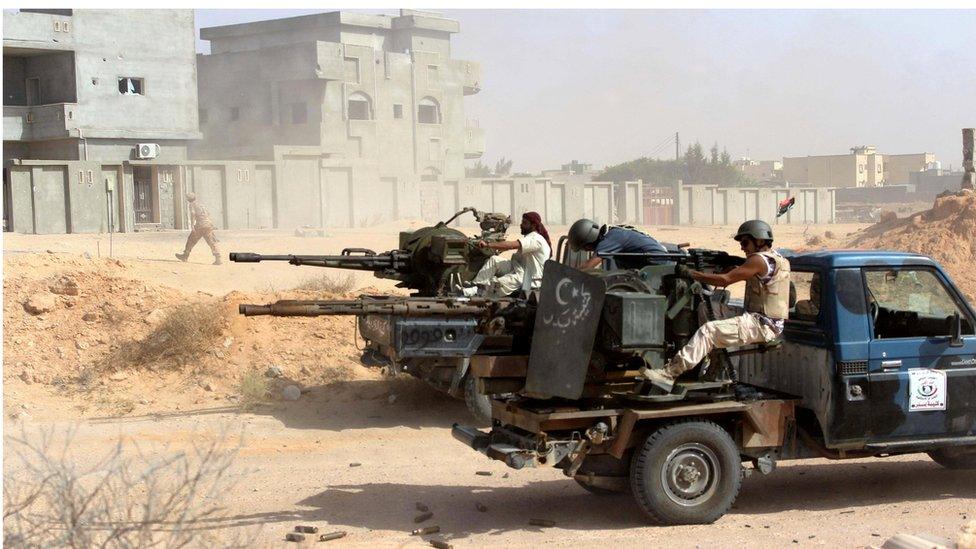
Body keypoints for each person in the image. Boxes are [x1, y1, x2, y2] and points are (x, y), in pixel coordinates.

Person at [641, 219, 791, 392]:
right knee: (707, 308)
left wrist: (692, 273)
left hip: (763, 324)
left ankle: (669, 374)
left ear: (760, 240)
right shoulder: (778, 259)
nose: (742, 247)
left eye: (745, 242)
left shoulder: (758, 260)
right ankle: (716, 365)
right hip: (763, 319)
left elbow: (725, 280)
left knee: (709, 331)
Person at [461, 211, 552, 297]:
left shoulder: (535, 239)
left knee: (500, 283)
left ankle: (475, 292)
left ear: (533, 225)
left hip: (529, 279)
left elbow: (512, 245)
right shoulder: (530, 237)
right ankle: (476, 284)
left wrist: (488, 245)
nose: (521, 225)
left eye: (524, 223)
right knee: (494, 260)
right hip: (519, 268)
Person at [567, 218, 668, 270]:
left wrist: (569, 275)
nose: (587, 250)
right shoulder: (610, 235)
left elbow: (588, 266)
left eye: (585, 248)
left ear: (588, 243)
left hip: (655, 264)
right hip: (646, 263)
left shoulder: (610, 239)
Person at [175, 192, 221, 265]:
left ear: (189, 199)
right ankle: (218, 258)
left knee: (191, 239)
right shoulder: (201, 204)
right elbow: (208, 214)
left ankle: (185, 256)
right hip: (208, 224)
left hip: (200, 225)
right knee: (211, 241)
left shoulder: (192, 205)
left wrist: (192, 225)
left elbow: (193, 214)